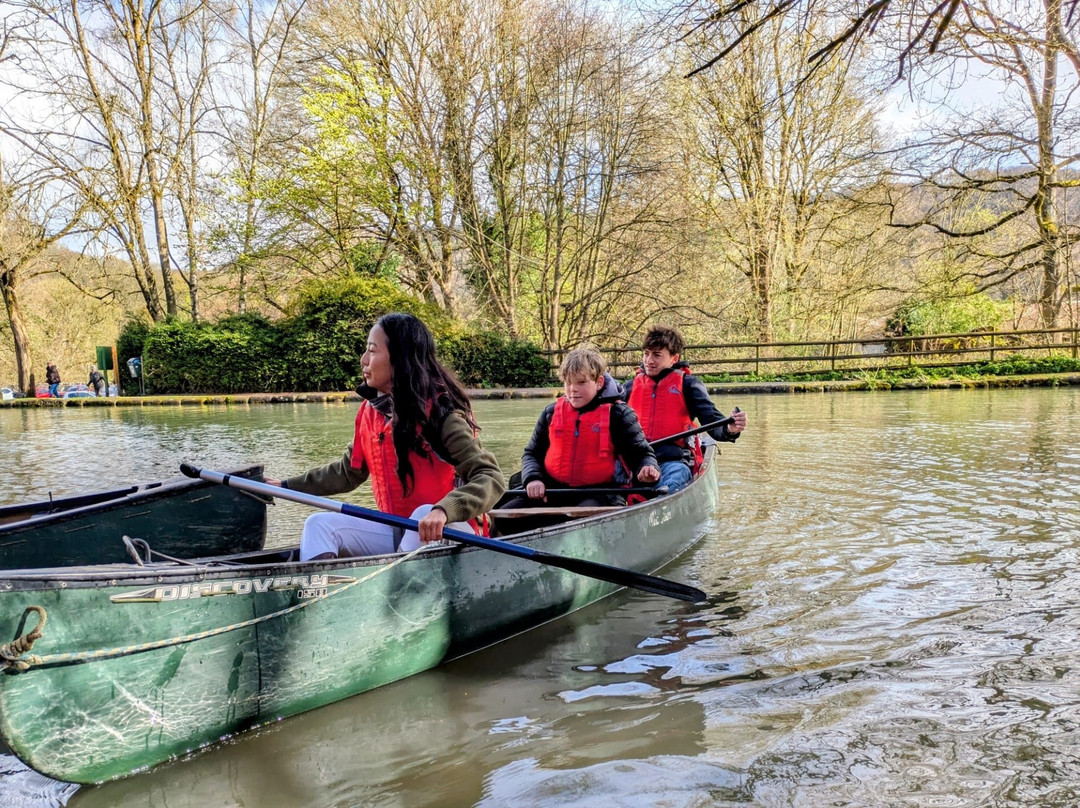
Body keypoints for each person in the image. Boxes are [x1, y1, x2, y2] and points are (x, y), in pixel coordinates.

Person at [271, 313, 505, 561]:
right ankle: (323, 594)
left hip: (451, 530)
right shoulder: (369, 412)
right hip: (398, 531)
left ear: (399, 359)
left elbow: (490, 476)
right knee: (318, 524)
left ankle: (395, 590)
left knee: (421, 514)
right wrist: (283, 486)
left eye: (372, 351)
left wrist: (444, 510)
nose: (363, 360)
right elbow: (346, 473)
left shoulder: (441, 412)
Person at [510, 347, 659, 509]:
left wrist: (648, 468)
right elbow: (531, 453)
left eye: (581, 382)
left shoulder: (619, 415)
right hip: (553, 490)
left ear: (599, 382)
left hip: (602, 494)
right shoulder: (550, 412)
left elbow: (642, 454)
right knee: (505, 517)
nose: (573, 389)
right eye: (568, 383)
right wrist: (533, 478)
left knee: (579, 517)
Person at [621, 325, 747, 493]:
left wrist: (730, 429)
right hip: (636, 460)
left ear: (674, 358)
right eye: (646, 353)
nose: (649, 360)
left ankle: (660, 498)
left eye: (657, 355)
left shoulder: (688, 385)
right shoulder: (629, 387)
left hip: (671, 461)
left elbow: (711, 419)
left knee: (677, 475)